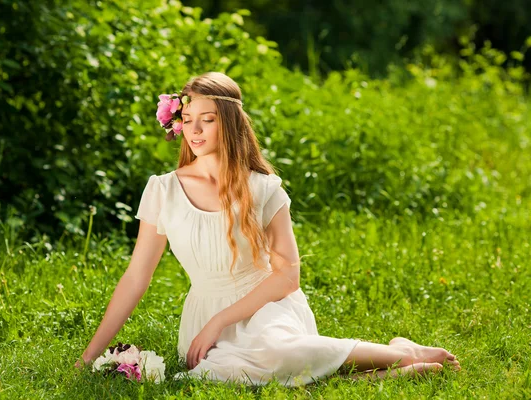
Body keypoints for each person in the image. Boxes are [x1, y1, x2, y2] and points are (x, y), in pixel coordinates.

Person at [75, 72, 460, 385]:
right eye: (188, 120)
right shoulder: (163, 189)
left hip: (267, 305)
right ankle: (384, 373)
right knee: (214, 374)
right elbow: (135, 278)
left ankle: (400, 353)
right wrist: (90, 355)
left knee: (279, 354)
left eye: (207, 120)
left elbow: (288, 276)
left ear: (228, 122)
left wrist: (219, 322)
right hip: (203, 309)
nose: (195, 131)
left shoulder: (262, 187)